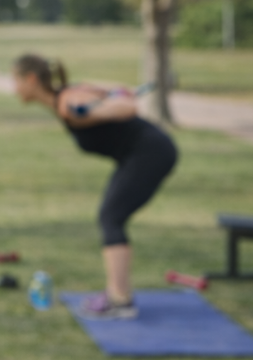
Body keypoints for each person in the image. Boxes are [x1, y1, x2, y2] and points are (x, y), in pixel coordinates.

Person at [13, 54, 178, 319]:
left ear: (31, 80)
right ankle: (118, 294)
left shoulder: (68, 103)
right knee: (110, 216)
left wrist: (100, 109)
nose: (14, 89)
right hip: (139, 154)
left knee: (111, 217)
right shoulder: (69, 97)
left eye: (16, 81)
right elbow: (108, 93)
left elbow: (127, 109)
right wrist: (112, 95)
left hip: (150, 152)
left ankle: (120, 300)